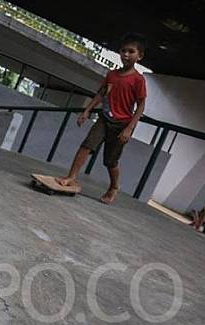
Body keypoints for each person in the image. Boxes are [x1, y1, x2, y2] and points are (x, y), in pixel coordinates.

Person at [55, 33, 148, 204]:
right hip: (104, 119)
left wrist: (129, 128)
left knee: (110, 161)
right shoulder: (112, 75)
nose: (126, 55)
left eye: (131, 51)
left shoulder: (138, 80)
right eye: (123, 51)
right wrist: (87, 111)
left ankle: (113, 187)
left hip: (122, 125)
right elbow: (101, 93)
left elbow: (141, 106)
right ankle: (71, 177)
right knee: (86, 146)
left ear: (139, 56)